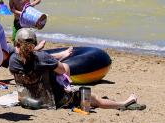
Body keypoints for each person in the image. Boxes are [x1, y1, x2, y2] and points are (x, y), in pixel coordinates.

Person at [8, 29, 139, 110]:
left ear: (16, 43)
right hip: (51, 101)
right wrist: (57, 61)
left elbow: (30, 60)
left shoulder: (13, 60)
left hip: (27, 100)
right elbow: (64, 70)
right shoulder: (42, 57)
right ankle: (123, 104)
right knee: (93, 98)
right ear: (34, 44)